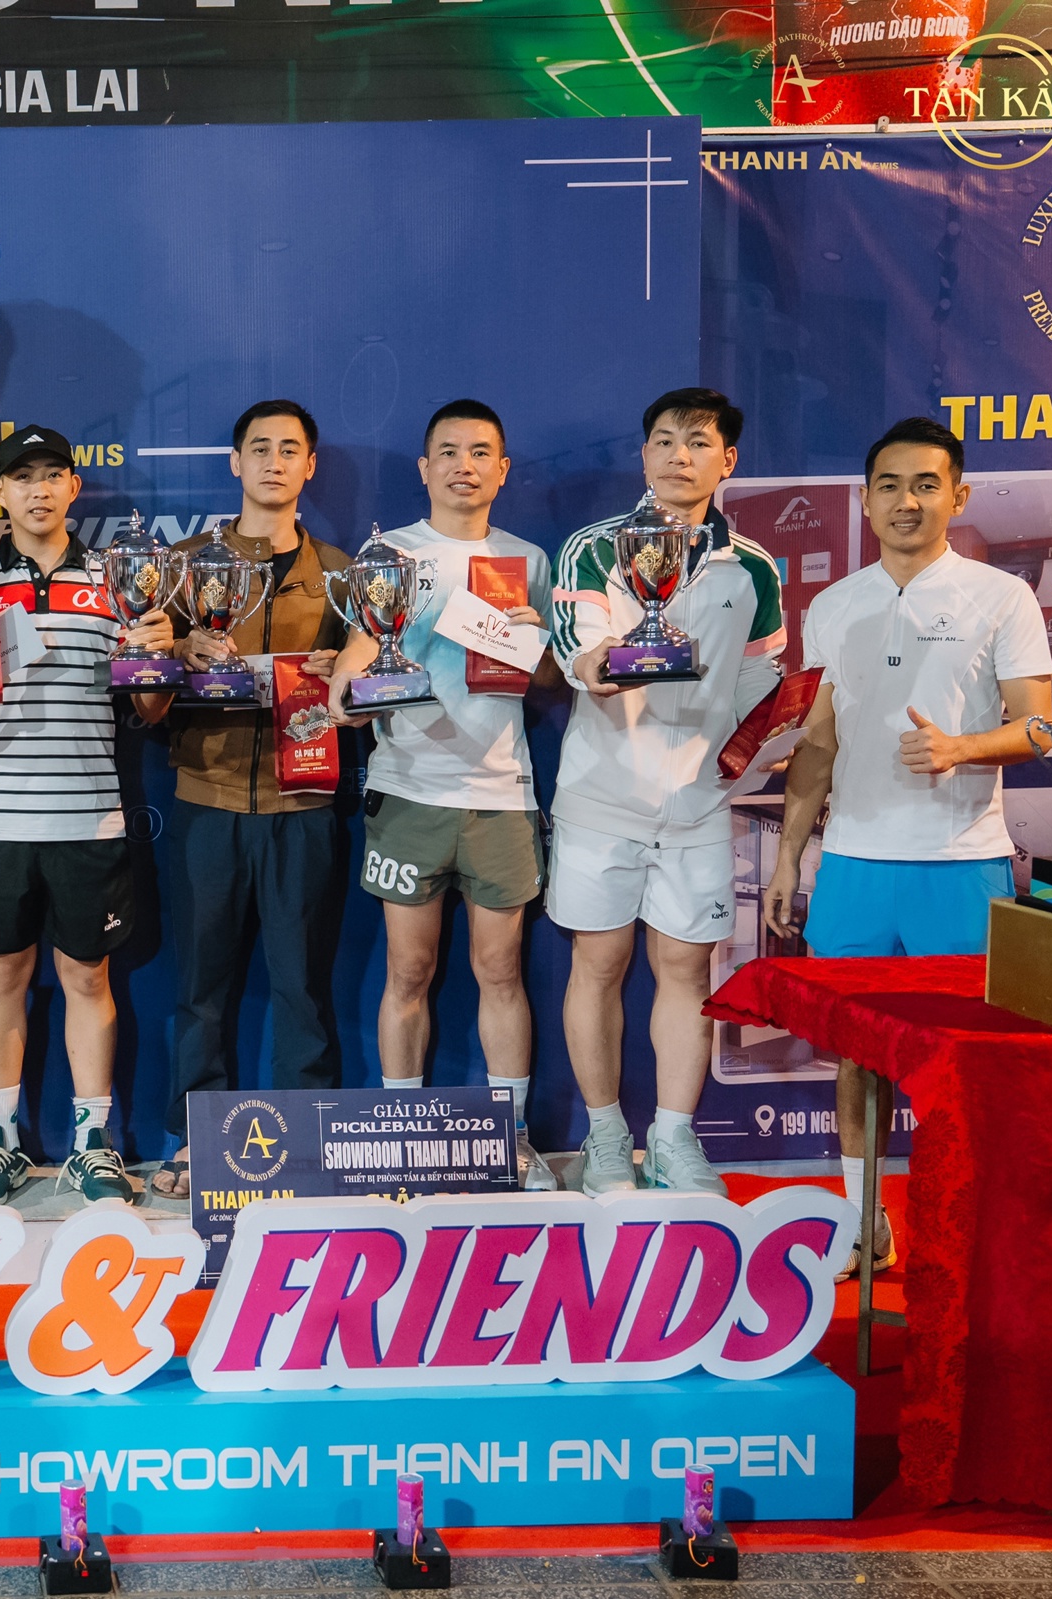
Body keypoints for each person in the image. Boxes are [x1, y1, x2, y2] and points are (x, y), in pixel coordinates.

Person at [763, 414, 1052, 1274]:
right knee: (858, 1058)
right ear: (866, 499)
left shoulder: (1002, 596)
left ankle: (962, 1231)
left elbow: (1037, 726)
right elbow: (819, 743)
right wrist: (789, 857)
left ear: (957, 495)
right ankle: (867, 1224)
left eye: (927, 484)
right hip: (854, 865)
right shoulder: (832, 605)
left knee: (957, 1069)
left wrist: (963, 748)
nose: (907, 501)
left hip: (962, 864)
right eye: (889, 485)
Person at [0, 426, 174, 1206]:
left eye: (52, 474)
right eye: (21, 476)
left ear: (73, 487)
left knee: (87, 976)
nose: (38, 489)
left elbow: (150, 711)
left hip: (88, 816)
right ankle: (0, 1141)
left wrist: (158, 659)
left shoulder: (118, 580)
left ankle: (93, 1144)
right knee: (2, 975)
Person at [547, 388, 785, 1195]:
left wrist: (756, 740)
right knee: (599, 963)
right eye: (664, 440)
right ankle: (606, 1137)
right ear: (643, 454)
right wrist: (603, 664)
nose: (680, 456)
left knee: (685, 970)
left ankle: (675, 1138)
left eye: (699, 442)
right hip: (601, 797)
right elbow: (578, 647)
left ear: (728, 460)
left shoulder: (753, 567)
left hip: (697, 805)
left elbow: (760, 677)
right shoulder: (593, 547)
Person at [328, 399, 562, 1189]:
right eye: (450, 451)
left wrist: (530, 639)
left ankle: (510, 1139)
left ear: (503, 469)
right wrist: (347, 689)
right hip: (409, 790)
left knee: (501, 969)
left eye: (481, 452)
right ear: (425, 468)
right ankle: (402, 1136)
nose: (465, 465)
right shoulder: (391, 554)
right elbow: (354, 660)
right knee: (409, 969)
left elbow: (553, 679)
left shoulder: (529, 559)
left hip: (502, 793)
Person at [148, 399, 352, 1200]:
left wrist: (344, 672)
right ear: (234, 463)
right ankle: (194, 1139)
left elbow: (367, 682)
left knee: (303, 986)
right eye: (259, 448)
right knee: (202, 988)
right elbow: (141, 677)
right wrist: (182, 647)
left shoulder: (340, 571)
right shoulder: (182, 564)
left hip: (304, 804)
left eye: (289, 449)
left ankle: (306, 1141)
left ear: (310, 466)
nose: (273, 461)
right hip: (207, 797)